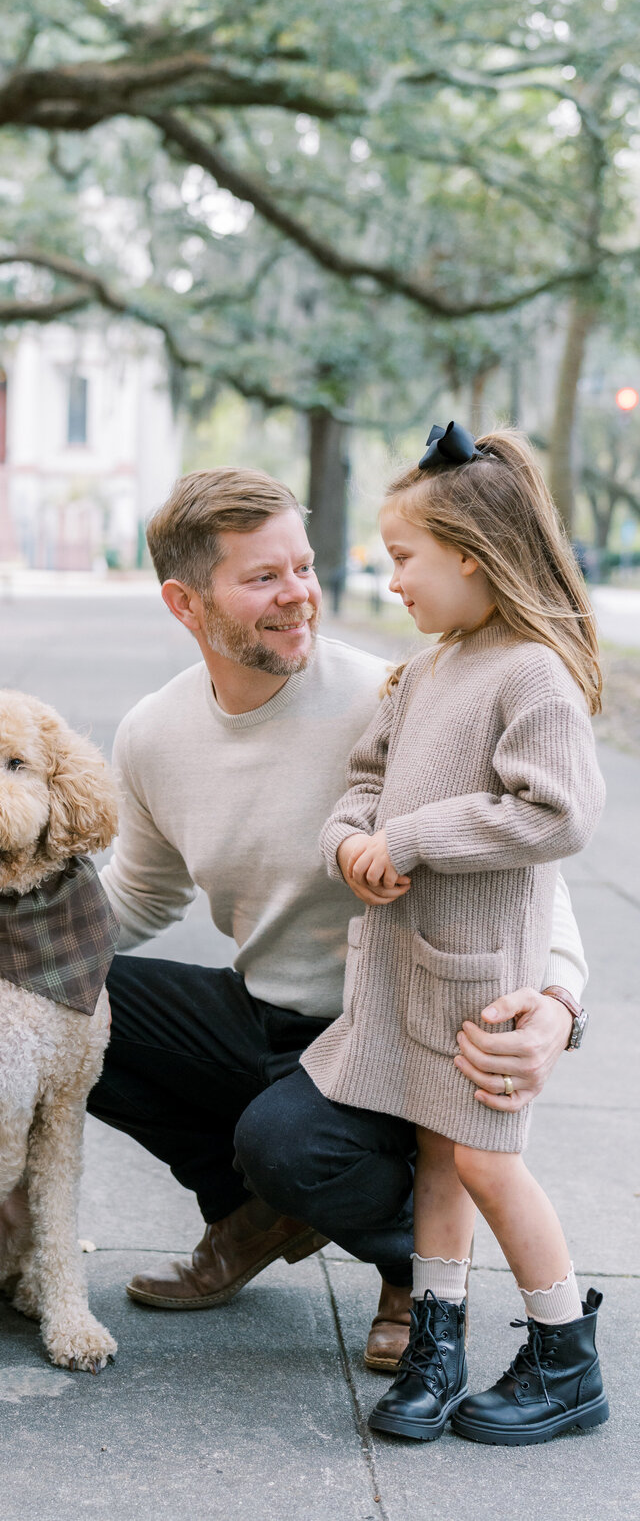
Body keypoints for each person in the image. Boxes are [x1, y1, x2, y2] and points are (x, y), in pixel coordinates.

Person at [88, 467, 589, 1371]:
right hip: (264, 1011)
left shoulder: (390, 692)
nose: (300, 596)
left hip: (392, 1027)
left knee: (286, 1142)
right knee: (68, 1000)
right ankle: (257, 1216)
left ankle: (408, 1262)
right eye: (265, 578)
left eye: (304, 566)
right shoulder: (154, 734)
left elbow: (527, 856)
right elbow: (139, 893)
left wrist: (558, 1000)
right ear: (185, 601)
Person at [302, 424, 607, 1445]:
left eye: (403, 559)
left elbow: (559, 809)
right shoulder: (429, 669)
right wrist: (352, 843)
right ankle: (437, 1336)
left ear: (471, 554)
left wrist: (415, 836)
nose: (391, 581)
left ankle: (566, 1352)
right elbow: (361, 782)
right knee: (442, 1156)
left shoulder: (531, 672)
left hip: (484, 977)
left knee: (487, 1161)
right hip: (410, 968)